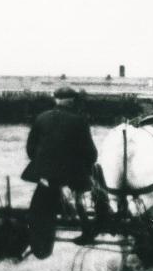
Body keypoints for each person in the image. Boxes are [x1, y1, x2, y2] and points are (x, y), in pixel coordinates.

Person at [21, 87, 98, 255]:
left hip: (45, 172)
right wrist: (88, 167)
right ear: (71, 101)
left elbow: (30, 148)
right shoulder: (79, 121)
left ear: (56, 100)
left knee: (45, 188)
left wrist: (42, 163)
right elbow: (90, 153)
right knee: (80, 195)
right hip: (71, 172)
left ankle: (43, 222)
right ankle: (87, 232)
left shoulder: (41, 118)